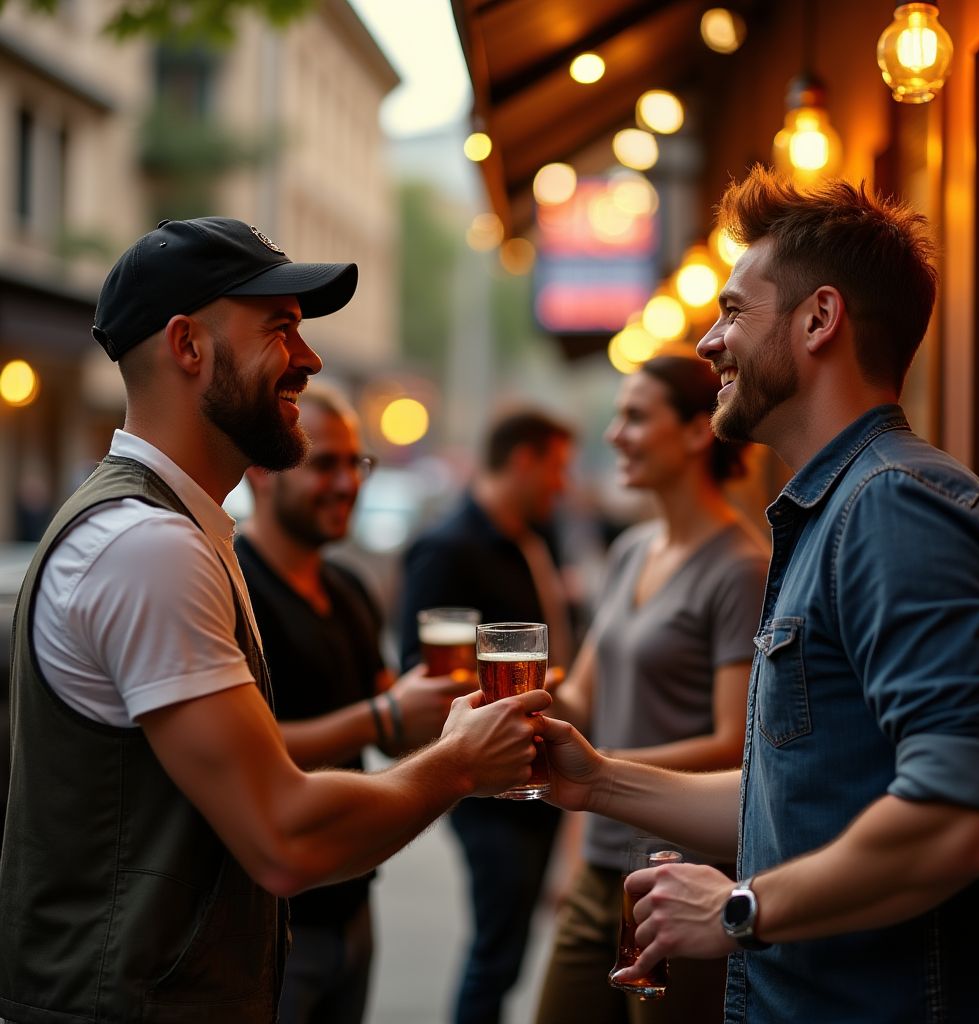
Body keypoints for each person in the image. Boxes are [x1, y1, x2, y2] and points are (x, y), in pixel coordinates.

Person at [0, 217, 549, 1024]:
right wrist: (460, 764)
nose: (311, 358)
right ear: (188, 346)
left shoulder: (176, 530)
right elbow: (285, 838)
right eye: (280, 329)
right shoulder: (147, 544)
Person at [538, 166, 979, 1022]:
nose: (708, 343)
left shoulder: (892, 509)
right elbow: (789, 798)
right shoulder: (836, 510)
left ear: (818, 320)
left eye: (731, 310)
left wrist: (738, 911)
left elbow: (962, 816)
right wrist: (598, 779)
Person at [534, 353, 768, 1024]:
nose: (614, 435)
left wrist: (604, 772)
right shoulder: (632, 548)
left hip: (681, 870)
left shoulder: (740, 567)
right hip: (602, 862)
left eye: (635, 417)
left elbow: (734, 743)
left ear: (699, 431)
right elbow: (581, 699)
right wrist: (511, 694)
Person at [237, 381, 476, 1024]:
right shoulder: (235, 587)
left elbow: (392, 732)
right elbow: (244, 751)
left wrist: (441, 718)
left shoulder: (347, 587)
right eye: (324, 464)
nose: (347, 483)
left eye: (355, 463)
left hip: (352, 899)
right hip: (266, 919)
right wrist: (385, 716)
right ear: (261, 471)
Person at [399, 409, 575, 1024]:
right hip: (487, 786)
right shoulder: (448, 547)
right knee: (496, 951)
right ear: (522, 461)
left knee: (512, 945)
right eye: (556, 468)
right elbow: (416, 675)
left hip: (539, 768)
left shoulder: (532, 537)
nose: (563, 484)